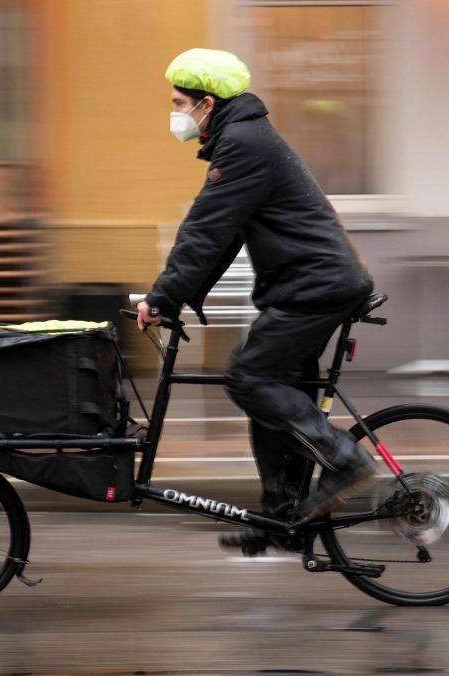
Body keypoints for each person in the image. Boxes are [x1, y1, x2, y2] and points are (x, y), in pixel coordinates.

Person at [137, 48, 377, 555]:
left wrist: (163, 296)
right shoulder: (243, 137)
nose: (175, 112)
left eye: (179, 102)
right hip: (307, 285)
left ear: (207, 102)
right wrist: (178, 299)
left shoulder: (243, 143)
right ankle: (282, 516)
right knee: (272, 392)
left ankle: (343, 456)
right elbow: (222, 236)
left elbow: (202, 230)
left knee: (248, 378)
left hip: (314, 287)